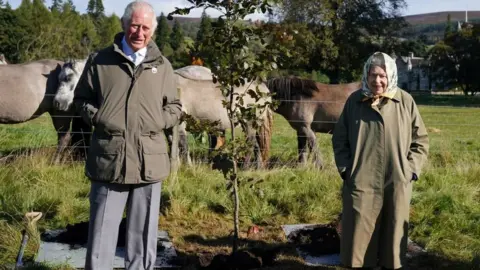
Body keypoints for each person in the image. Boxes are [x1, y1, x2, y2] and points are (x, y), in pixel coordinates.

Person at [73, 1, 182, 269]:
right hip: (109, 159)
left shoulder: (163, 65)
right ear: (123, 25)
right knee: (101, 236)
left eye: (145, 27)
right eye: (134, 25)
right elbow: (81, 99)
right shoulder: (99, 61)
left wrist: (159, 121)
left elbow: (175, 106)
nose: (139, 32)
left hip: (150, 162)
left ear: (152, 30)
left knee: (143, 238)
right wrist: (99, 117)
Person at [332, 52, 429, 270]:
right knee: (359, 230)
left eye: (383, 76)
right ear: (366, 75)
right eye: (373, 75)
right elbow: (339, 139)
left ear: (391, 76)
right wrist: (347, 169)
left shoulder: (404, 100)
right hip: (361, 178)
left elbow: (420, 140)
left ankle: (389, 264)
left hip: (397, 178)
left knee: (393, 230)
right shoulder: (354, 101)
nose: (378, 81)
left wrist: (411, 171)